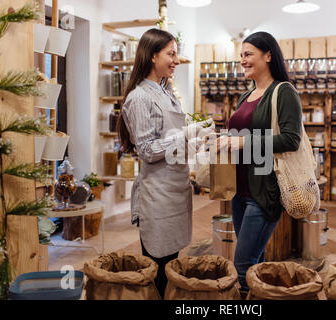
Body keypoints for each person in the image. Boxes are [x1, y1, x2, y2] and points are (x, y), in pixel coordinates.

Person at [117, 28, 213, 298]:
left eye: (176, 53)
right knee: (158, 269)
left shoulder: (166, 92)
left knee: (171, 264)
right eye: (171, 54)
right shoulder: (139, 98)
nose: (177, 60)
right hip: (157, 195)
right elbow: (147, 150)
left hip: (175, 191)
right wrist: (185, 134)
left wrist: (199, 141)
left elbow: (171, 144)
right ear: (152, 56)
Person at [216, 31, 303, 294]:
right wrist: (221, 141)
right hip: (240, 193)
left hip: (264, 192)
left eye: (249, 54)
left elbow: (291, 139)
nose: (243, 60)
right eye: (241, 55)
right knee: (256, 263)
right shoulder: (246, 96)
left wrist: (244, 142)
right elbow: (238, 136)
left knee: (242, 266)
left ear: (268, 55)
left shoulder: (284, 92)